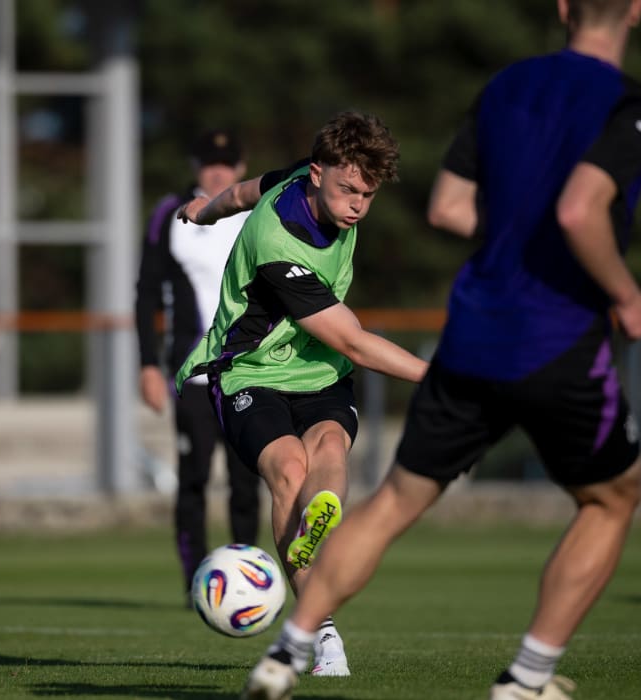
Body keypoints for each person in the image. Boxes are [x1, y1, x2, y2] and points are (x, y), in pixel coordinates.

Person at [241, 1, 641, 699]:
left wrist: (508, 241)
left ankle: (287, 650)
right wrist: (626, 294)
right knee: (612, 498)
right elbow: (579, 210)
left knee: (391, 502)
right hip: (556, 333)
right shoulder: (633, 105)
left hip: (472, 329)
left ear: (561, 8)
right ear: (637, 10)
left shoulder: (504, 88)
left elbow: (446, 207)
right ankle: (526, 677)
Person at [175, 110, 429, 678]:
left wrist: (205, 210)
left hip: (320, 373)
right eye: (348, 191)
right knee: (290, 466)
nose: (358, 206)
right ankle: (323, 631)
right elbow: (357, 343)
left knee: (331, 451)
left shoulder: (301, 177)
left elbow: (242, 189)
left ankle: (319, 526)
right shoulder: (277, 241)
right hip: (249, 373)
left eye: (367, 194)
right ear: (317, 175)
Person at [135, 129, 263, 600]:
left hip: (250, 367)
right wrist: (148, 363)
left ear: (241, 168)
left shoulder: (257, 214)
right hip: (192, 371)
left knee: (246, 481)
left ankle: (248, 576)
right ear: (197, 166)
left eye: (226, 163)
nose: (218, 170)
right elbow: (146, 291)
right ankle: (195, 580)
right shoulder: (170, 214)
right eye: (210, 162)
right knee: (194, 476)